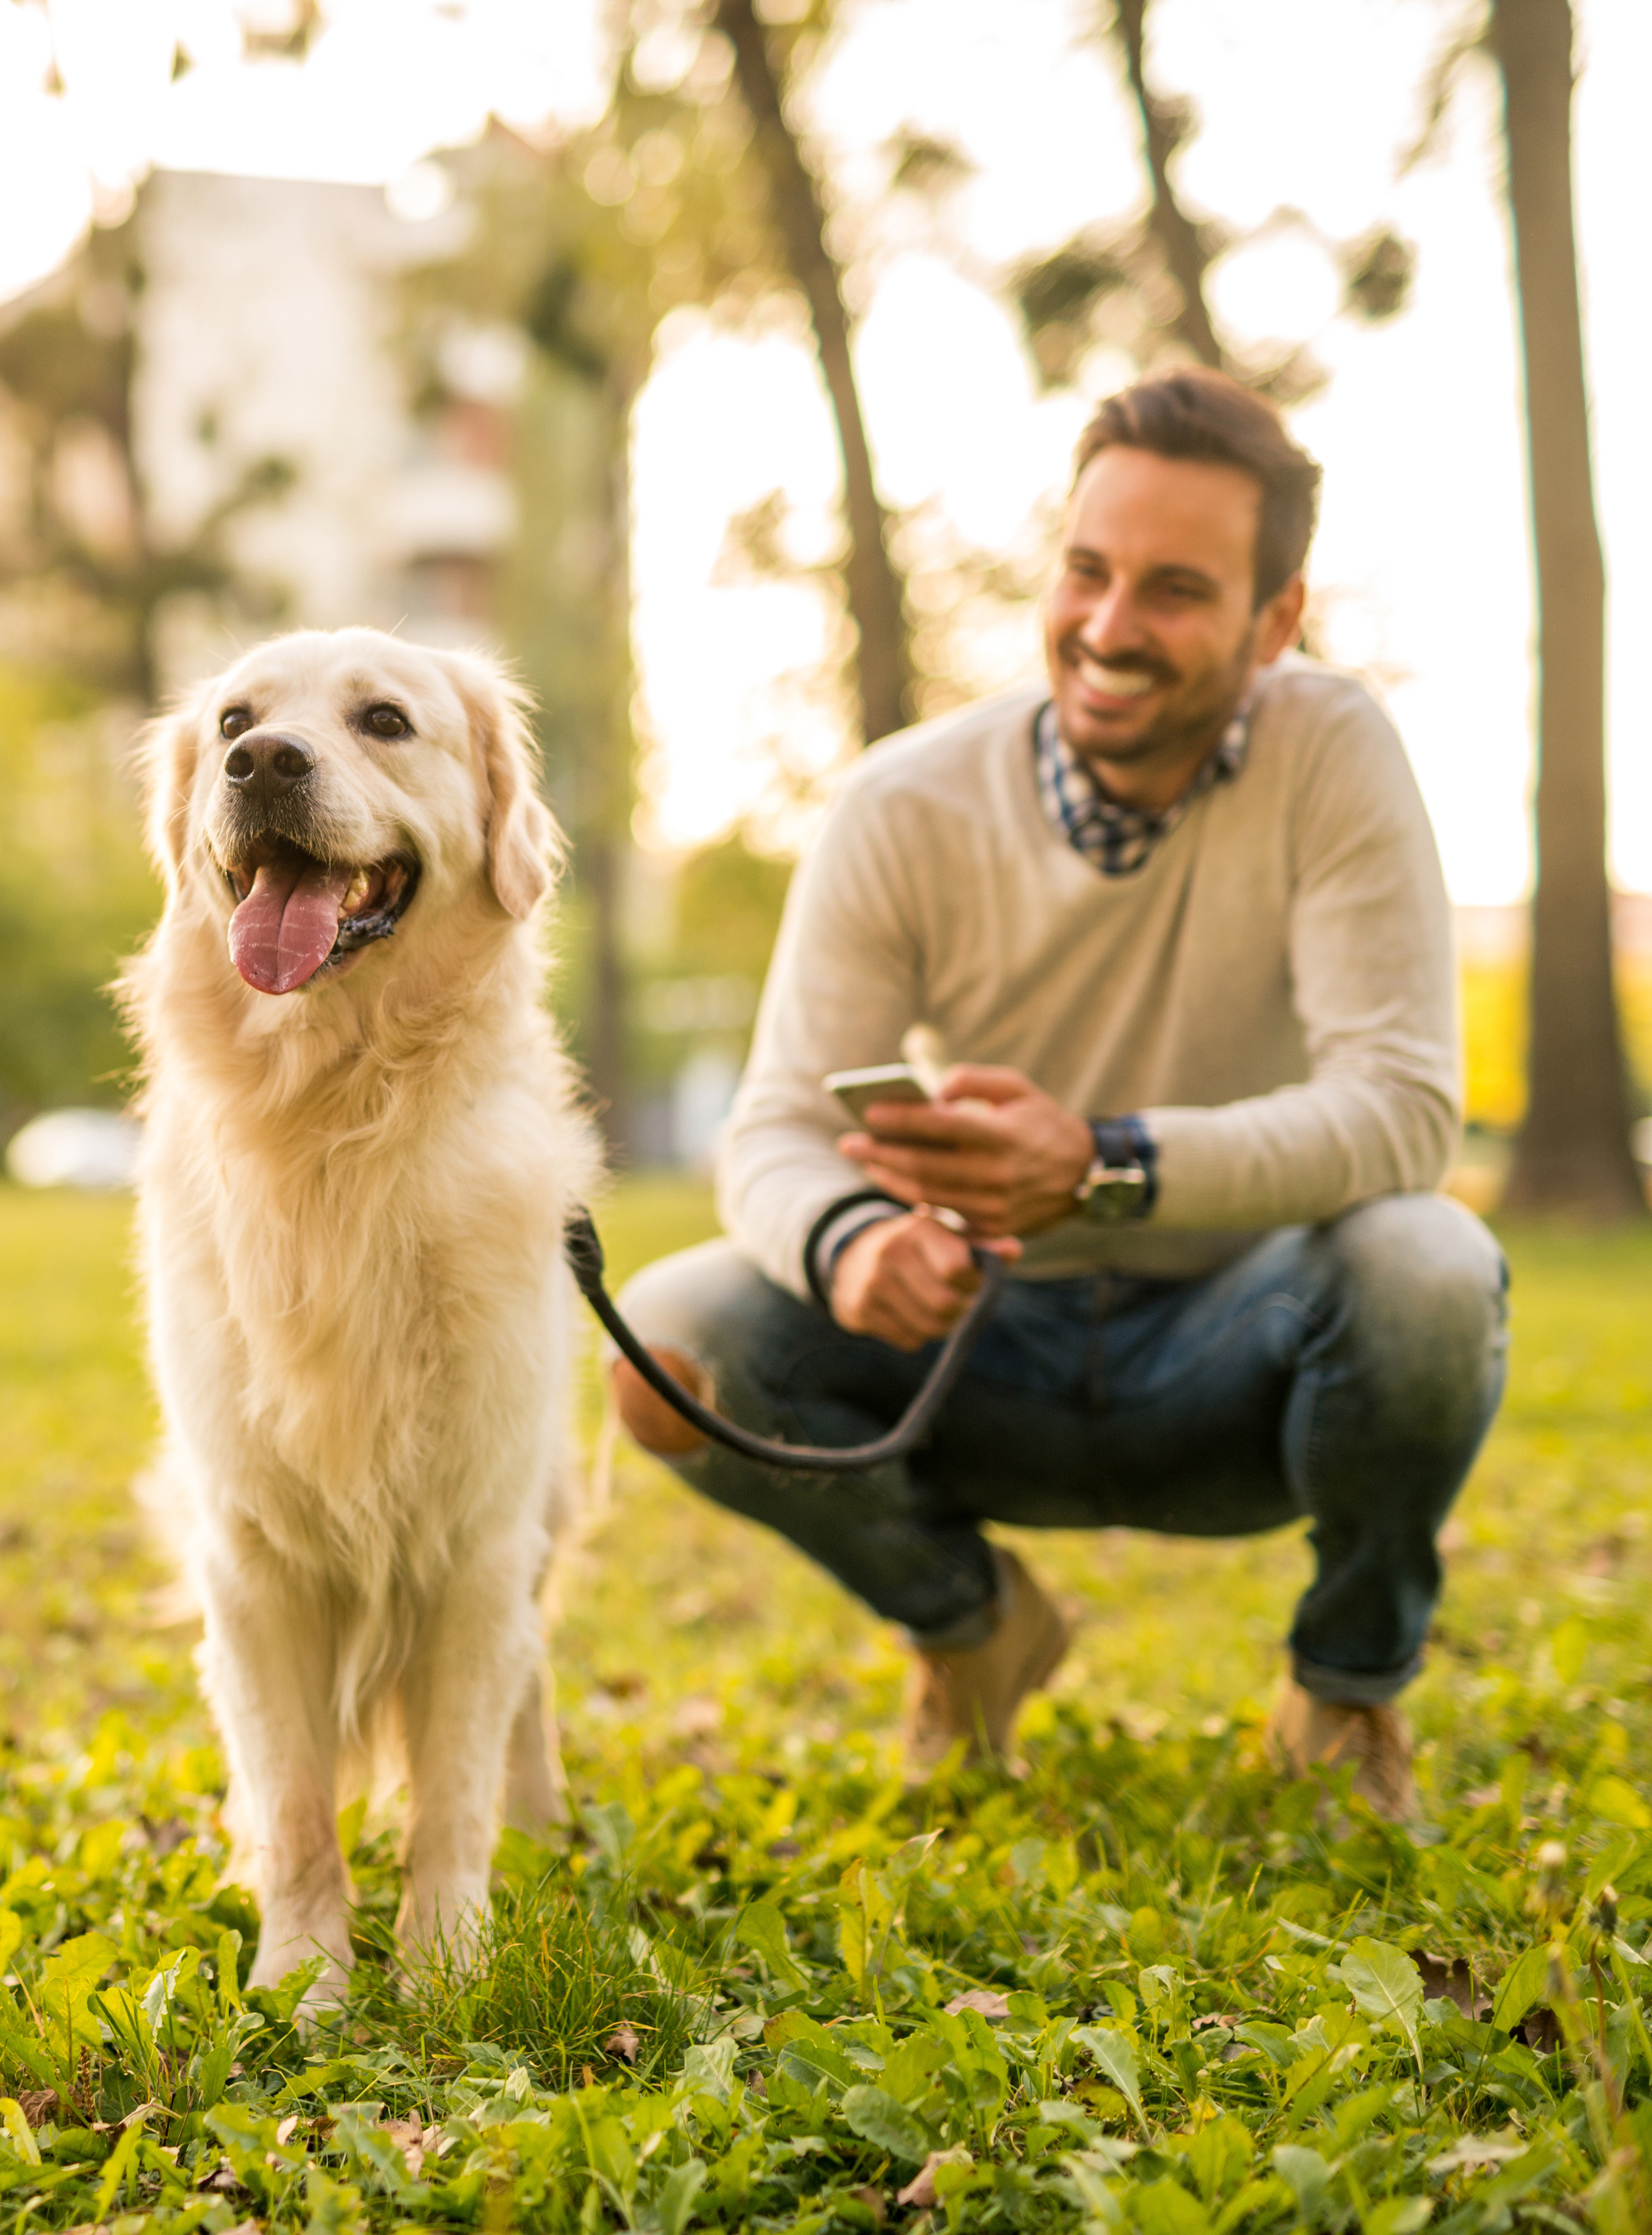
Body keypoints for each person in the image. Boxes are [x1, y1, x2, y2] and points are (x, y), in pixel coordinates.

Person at [608, 368, 1505, 1820]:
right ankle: (970, 1631)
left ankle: (1342, 1693)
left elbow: (1402, 1109)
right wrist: (855, 1243)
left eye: (1173, 590)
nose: (1106, 627)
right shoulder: (904, 805)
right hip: (976, 1356)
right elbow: (770, 1129)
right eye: (1085, 572)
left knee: (1429, 1264)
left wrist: (1104, 1159)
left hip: (1243, 1354)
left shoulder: (1330, 754)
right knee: (672, 1340)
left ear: (1276, 622)